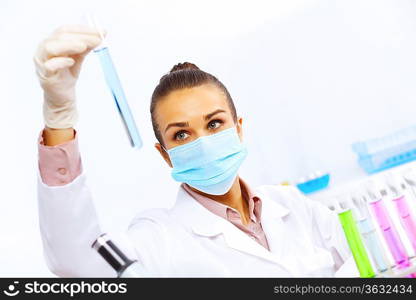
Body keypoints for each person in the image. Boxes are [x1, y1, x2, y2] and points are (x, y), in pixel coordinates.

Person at [34, 25, 352, 277]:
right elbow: (78, 262)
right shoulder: (159, 237)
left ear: (238, 128)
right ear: (165, 154)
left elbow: (367, 263)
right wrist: (59, 119)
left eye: (214, 124)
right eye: (182, 134)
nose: (202, 141)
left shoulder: (294, 207)